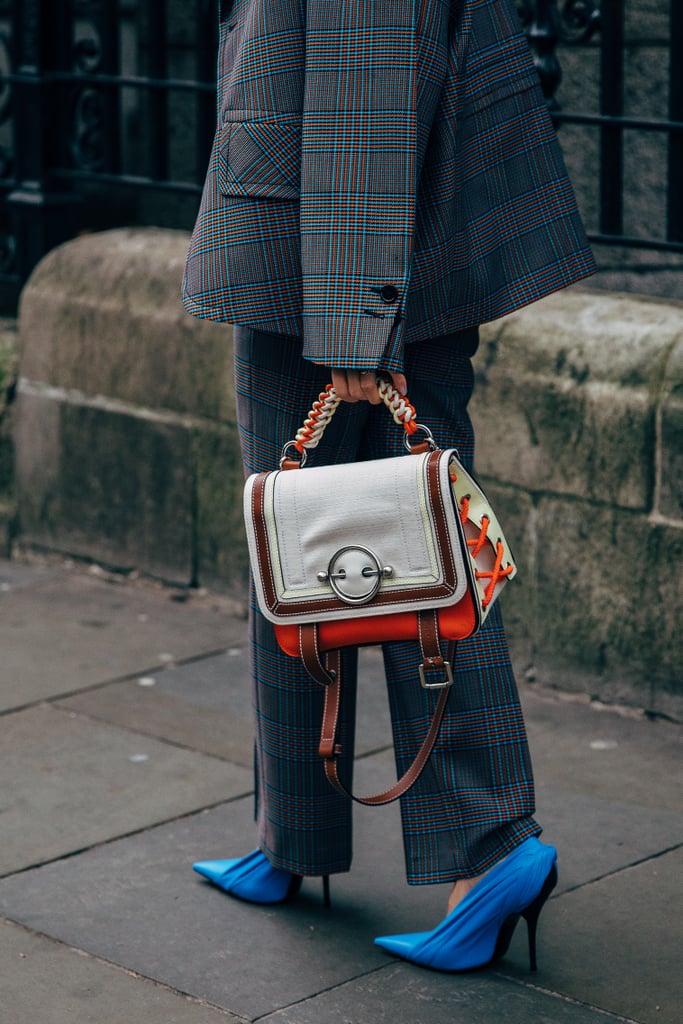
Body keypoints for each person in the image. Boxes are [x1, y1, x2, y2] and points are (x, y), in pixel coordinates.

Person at [182, 0, 595, 972]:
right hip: (346, 249)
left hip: (330, 267)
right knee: (362, 553)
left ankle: (488, 847)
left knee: (389, 561)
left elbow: (367, 87)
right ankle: (295, 832)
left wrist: (358, 333)